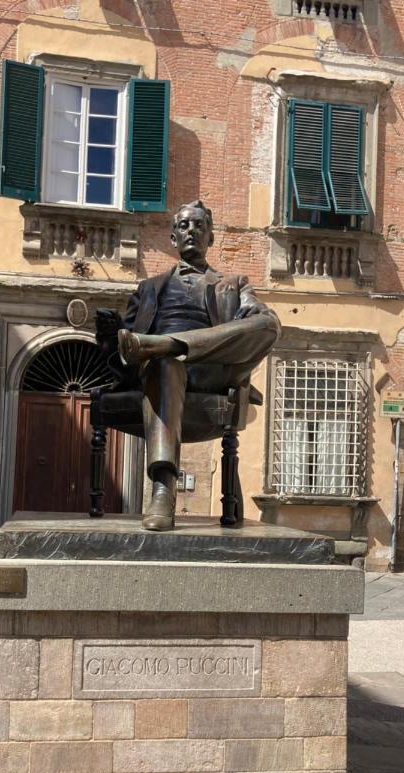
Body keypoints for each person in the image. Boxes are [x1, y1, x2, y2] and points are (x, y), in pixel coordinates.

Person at [96, 200, 280, 531]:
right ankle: (163, 492)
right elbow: (125, 365)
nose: (191, 230)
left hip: (214, 371)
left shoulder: (234, 285)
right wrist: (110, 338)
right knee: (165, 364)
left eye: (199, 225)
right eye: (183, 225)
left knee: (269, 323)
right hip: (160, 372)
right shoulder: (148, 288)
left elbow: (261, 323)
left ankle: (167, 345)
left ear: (210, 237)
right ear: (173, 238)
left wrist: (169, 346)